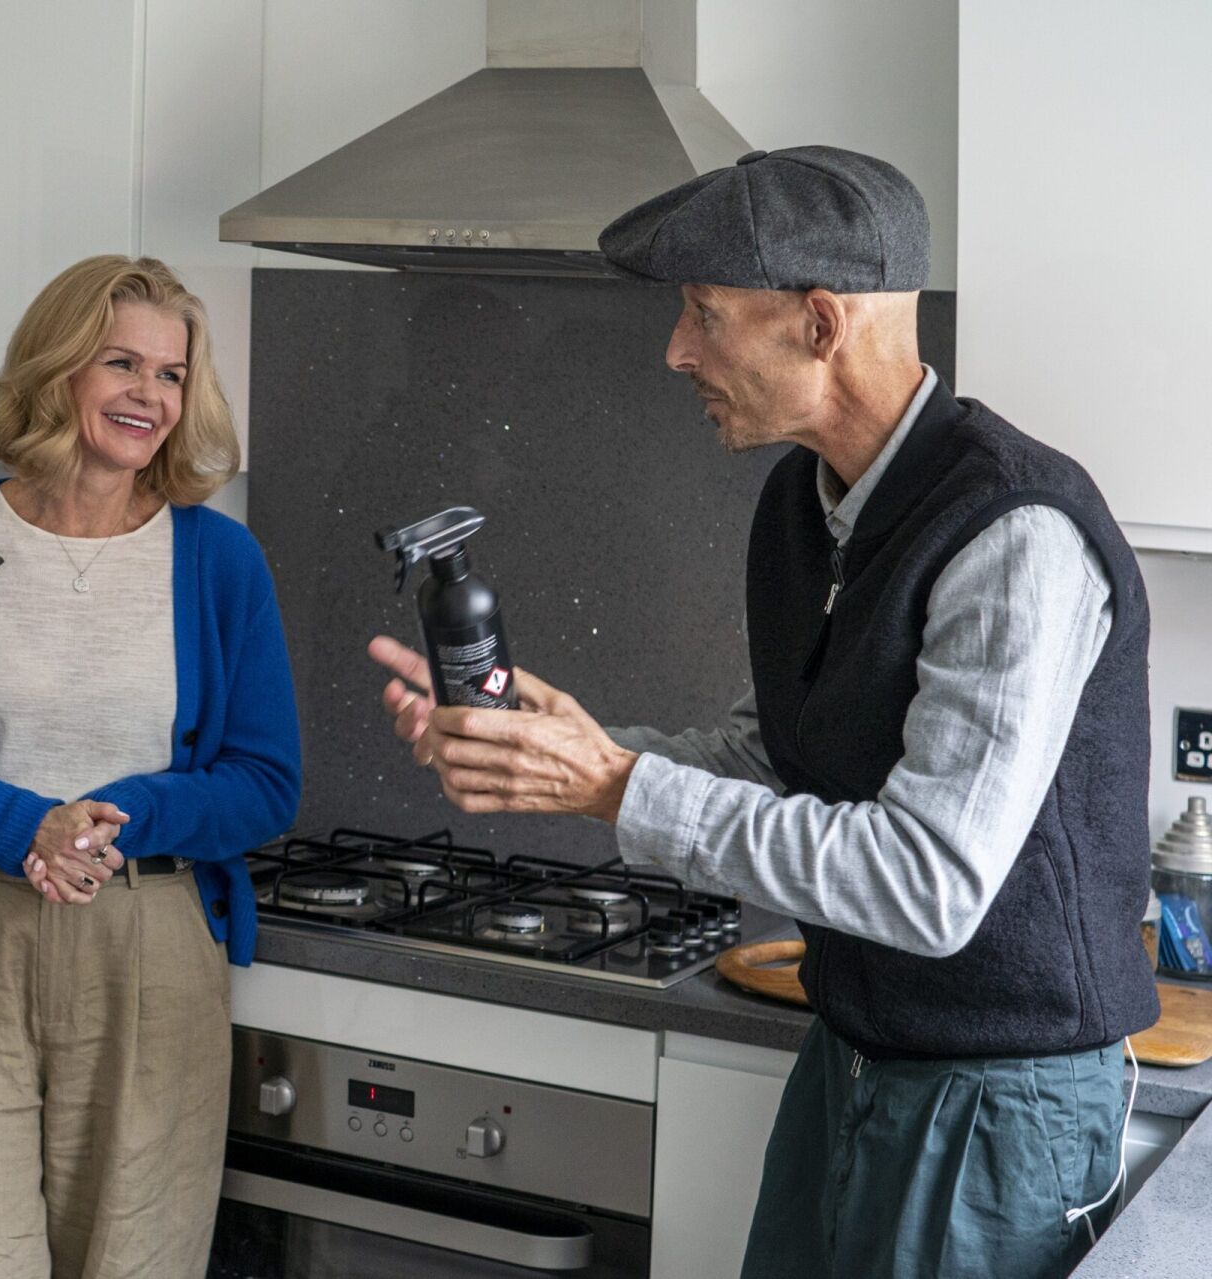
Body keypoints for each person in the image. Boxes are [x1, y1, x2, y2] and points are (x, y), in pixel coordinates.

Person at [369, 146, 1158, 1279]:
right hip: (849, 1058)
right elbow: (773, 750)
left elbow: (928, 882)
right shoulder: (805, 501)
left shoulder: (1013, 533)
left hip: (1000, 1104)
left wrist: (613, 785)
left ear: (821, 322)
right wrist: (559, 755)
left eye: (704, 313)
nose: (676, 350)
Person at [0, 254, 301, 1278]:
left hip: (154, 942)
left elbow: (267, 781)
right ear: (57, 368)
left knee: (135, 1257)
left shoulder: (221, 562)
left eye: (171, 374)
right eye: (121, 363)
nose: (149, 395)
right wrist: (24, 826)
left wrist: (125, 810)